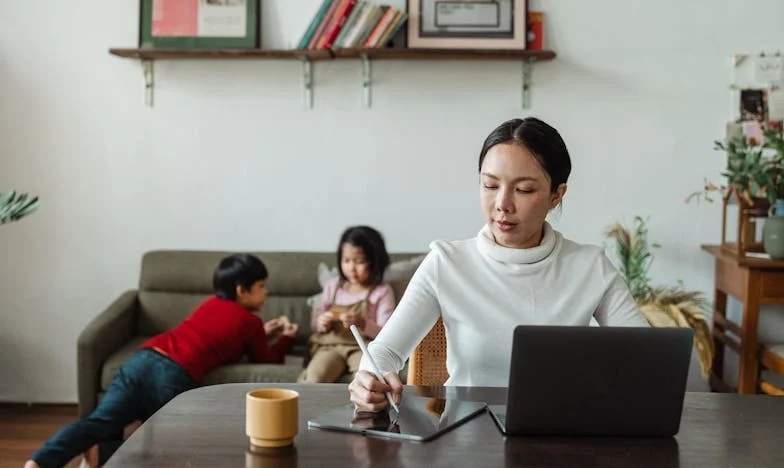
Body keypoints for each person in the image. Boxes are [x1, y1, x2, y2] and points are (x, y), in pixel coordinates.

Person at [348, 117, 650, 412]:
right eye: (490, 185)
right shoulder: (447, 263)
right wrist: (370, 378)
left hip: (559, 431)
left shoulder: (589, 266)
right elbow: (385, 351)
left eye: (524, 190)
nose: (502, 204)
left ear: (556, 195)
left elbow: (647, 356)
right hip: (466, 435)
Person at [26, 253, 298, 468]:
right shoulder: (250, 322)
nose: (267, 292)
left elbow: (217, 335)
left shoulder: (210, 304)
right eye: (262, 286)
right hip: (173, 374)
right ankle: (105, 452)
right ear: (242, 290)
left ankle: (41, 461)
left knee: (100, 421)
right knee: (172, 444)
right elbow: (266, 358)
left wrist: (263, 333)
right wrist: (286, 338)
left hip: (144, 358)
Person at [298, 226, 396, 383]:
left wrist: (362, 323)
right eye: (346, 261)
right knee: (315, 378)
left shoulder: (382, 291)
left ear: (375, 262)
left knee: (368, 380)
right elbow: (315, 322)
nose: (351, 268)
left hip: (362, 347)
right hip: (330, 347)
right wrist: (321, 322)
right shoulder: (333, 286)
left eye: (360, 262)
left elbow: (387, 333)